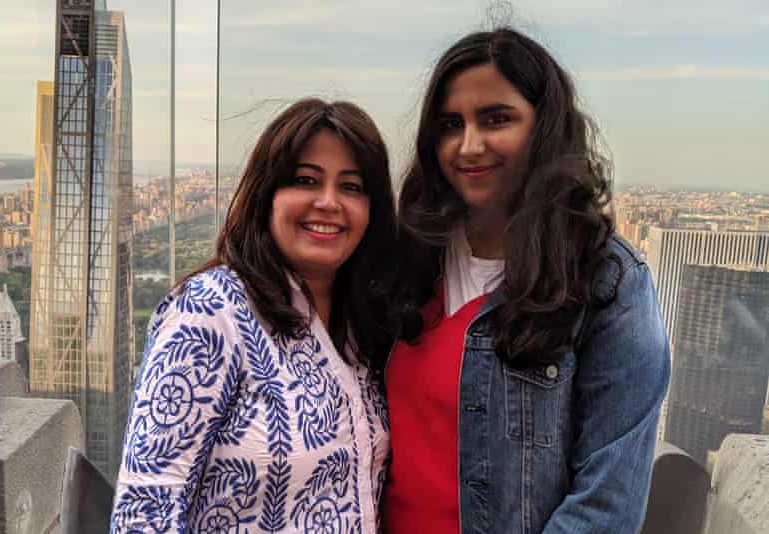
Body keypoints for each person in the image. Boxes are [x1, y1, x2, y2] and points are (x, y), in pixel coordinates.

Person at [384, 27, 670, 534]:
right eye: (450, 124)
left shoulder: (606, 283)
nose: (468, 146)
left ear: (545, 128)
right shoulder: (410, 257)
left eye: (496, 119)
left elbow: (607, 505)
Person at [110, 98, 396, 533]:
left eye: (352, 187)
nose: (328, 202)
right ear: (267, 194)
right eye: (305, 180)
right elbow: (146, 511)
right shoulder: (212, 312)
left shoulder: (363, 329)